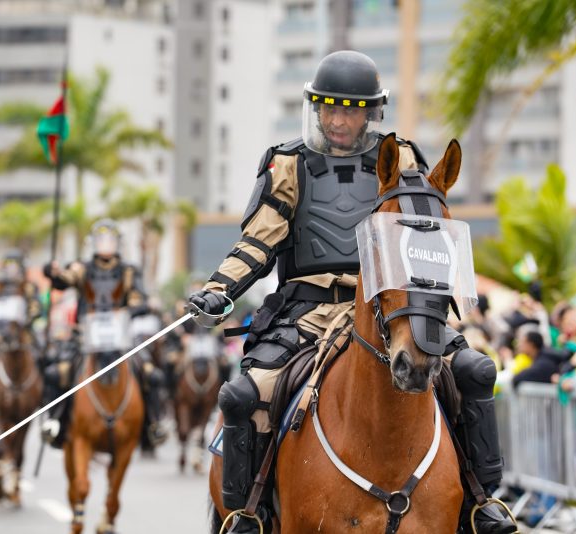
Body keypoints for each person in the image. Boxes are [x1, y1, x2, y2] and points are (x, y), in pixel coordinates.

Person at [189, 50, 516, 534]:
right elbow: (259, 238)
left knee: (472, 371)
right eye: (330, 108)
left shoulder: (401, 158)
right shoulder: (288, 164)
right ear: (316, 110)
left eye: (352, 109)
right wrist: (218, 289)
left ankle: (483, 503)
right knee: (245, 394)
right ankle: (245, 514)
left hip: (392, 306)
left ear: (370, 113)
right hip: (307, 311)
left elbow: (424, 228)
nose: (340, 119)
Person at [41, 218, 167, 448]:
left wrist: (130, 310)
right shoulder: (82, 268)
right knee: (55, 372)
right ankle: (54, 422)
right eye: (101, 239)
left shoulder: (129, 271)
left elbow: (139, 300)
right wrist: (52, 271)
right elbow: (62, 281)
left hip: (120, 340)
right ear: (93, 243)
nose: (105, 244)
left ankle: (154, 424)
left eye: (110, 239)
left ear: (117, 243)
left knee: (152, 374)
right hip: (85, 339)